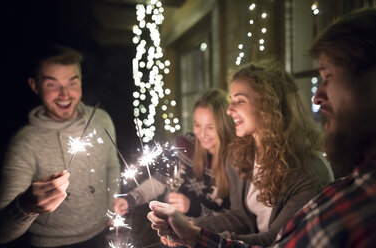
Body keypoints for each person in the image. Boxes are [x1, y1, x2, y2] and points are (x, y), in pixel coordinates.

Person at [147, 7, 376, 248]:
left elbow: (275, 241)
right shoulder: (240, 153)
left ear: (269, 106)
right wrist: (190, 226)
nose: (229, 110)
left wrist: (195, 237)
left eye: (240, 100)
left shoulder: (310, 174)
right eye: (230, 100)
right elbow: (241, 216)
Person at [0, 44, 121, 248]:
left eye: (72, 83)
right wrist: (26, 206)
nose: (64, 94)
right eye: (52, 84)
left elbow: (112, 166)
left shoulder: (102, 120)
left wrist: (113, 208)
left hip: (101, 235)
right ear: (35, 86)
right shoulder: (25, 142)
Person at [114, 89, 234, 219]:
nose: (202, 134)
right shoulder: (185, 147)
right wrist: (130, 199)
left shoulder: (235, 164)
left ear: (224, 125)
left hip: (208, 237)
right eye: (197, 125)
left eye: (210, 127)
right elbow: (159, 181)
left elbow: (233, 219)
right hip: (173, 232)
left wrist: (192, 207)